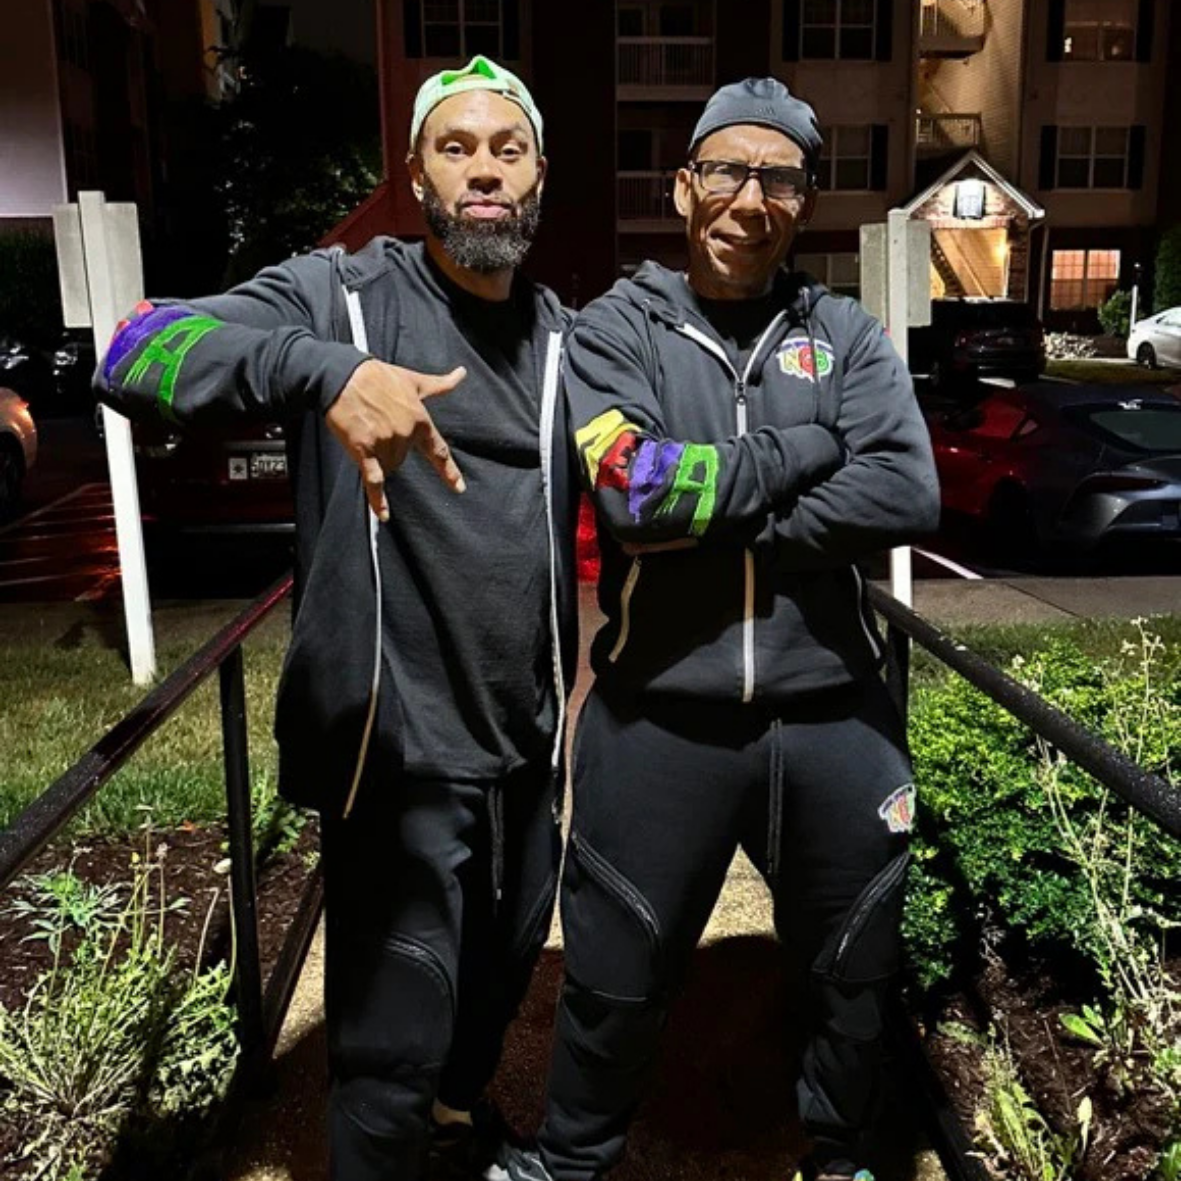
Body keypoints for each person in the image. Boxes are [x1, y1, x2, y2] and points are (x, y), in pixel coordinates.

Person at [95, 56, 579, 1181]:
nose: (483, 170)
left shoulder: (564, 335)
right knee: (389, 1046)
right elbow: (132, 350)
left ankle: (456, 1125)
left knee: (498, 984)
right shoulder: (340, 296)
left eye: (506, 149)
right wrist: (320, 371)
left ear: (538, 175)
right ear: (415, 175)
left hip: (525, 749)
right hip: (395, 758)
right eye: (455, 147)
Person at [507, 78, 940, 1181]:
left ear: (805, 200)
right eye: (726, 171)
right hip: (660, 714)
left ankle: (839, 1157)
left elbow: (904, 491)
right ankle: (570, 1162)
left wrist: (723, 521)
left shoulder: (844, 333)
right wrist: (806, 453)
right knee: (613, 971)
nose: (750, 199)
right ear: (682, 186)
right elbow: (634, 496)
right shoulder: (616, 328)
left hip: (834, 711)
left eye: (779, 178)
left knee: (853, 969)